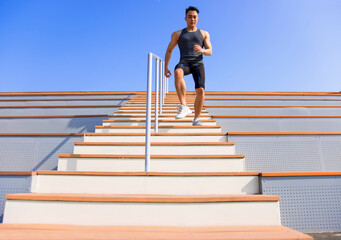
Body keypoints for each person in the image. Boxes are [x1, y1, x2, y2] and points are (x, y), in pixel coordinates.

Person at [164, 6, 212, 126]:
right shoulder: (178, 34)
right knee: (177, 72)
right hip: (184, 62)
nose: (192, 19)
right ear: (185, 18)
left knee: (200, 91)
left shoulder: (204, 33)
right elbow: (169, 50)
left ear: (198, 18)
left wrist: (202, 50)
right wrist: (166, 67)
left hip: (198, 63)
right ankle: (184, 106)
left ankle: (196, 119)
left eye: (194, 17)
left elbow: (210, 51)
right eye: (190, 17)